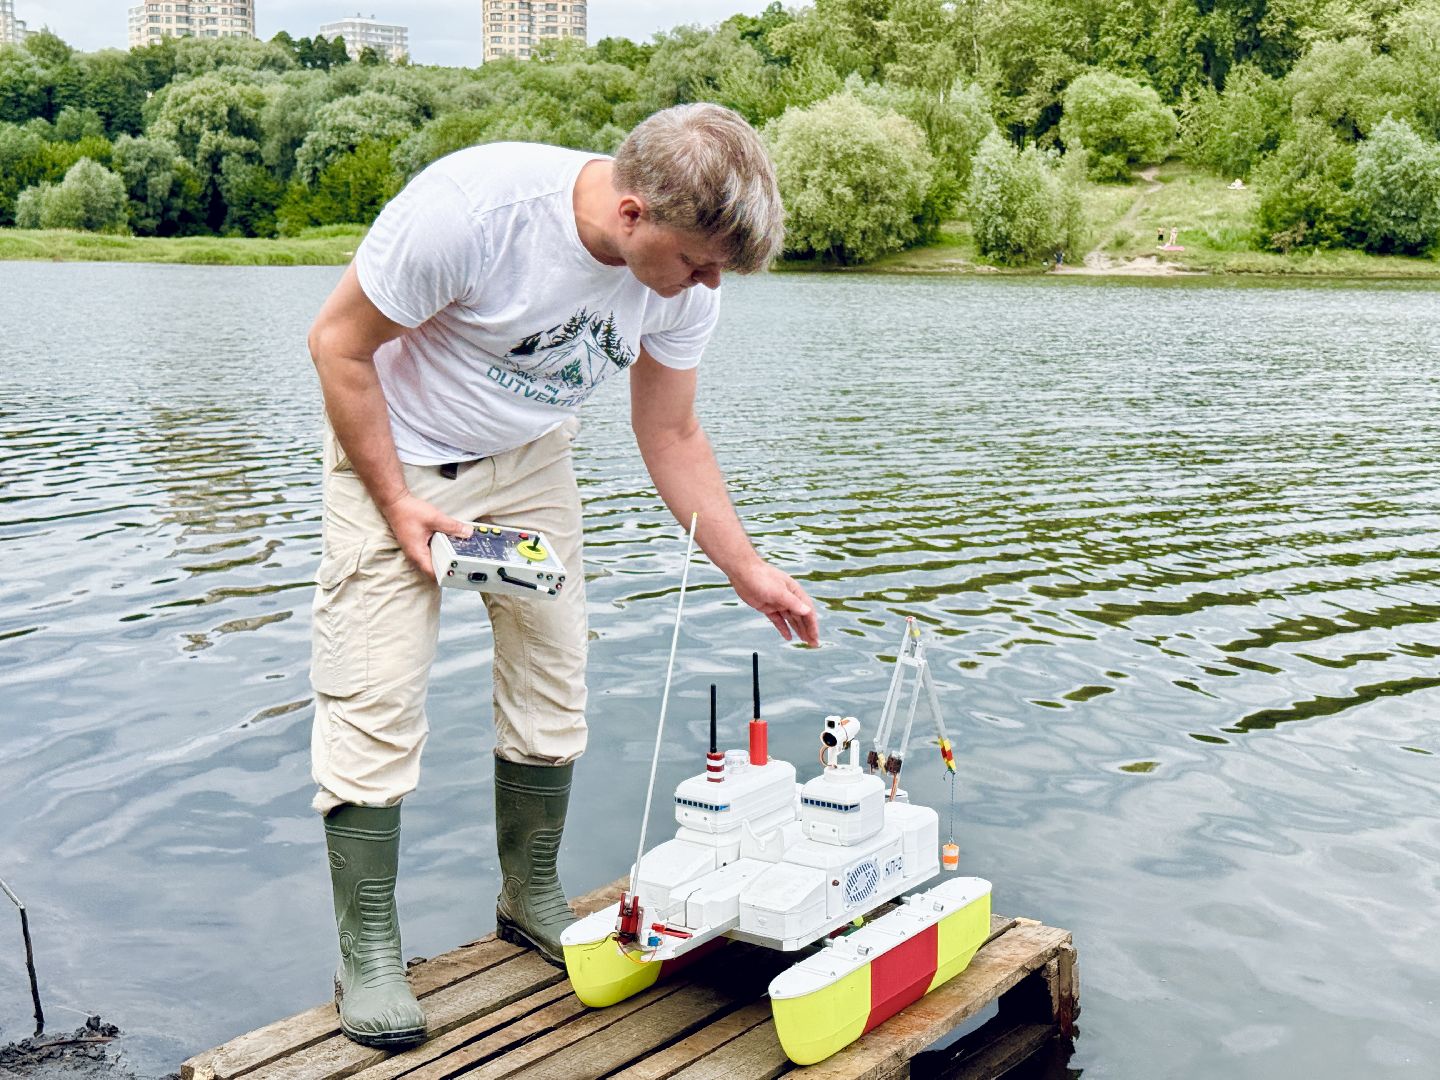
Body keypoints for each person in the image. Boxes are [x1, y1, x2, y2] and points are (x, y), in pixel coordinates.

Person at [304, 103, 820, 1049]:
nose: (707, 286)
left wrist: (747, 569)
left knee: (553, 678)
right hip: (398, 454)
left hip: (529, 463)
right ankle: (370, 947)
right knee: (374, 695)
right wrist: (395, 501)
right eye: (698, 262)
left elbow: (669, 431)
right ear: (632, 214)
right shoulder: (473, 213)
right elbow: (337, 345)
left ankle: (529, 891)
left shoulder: (685, 282)